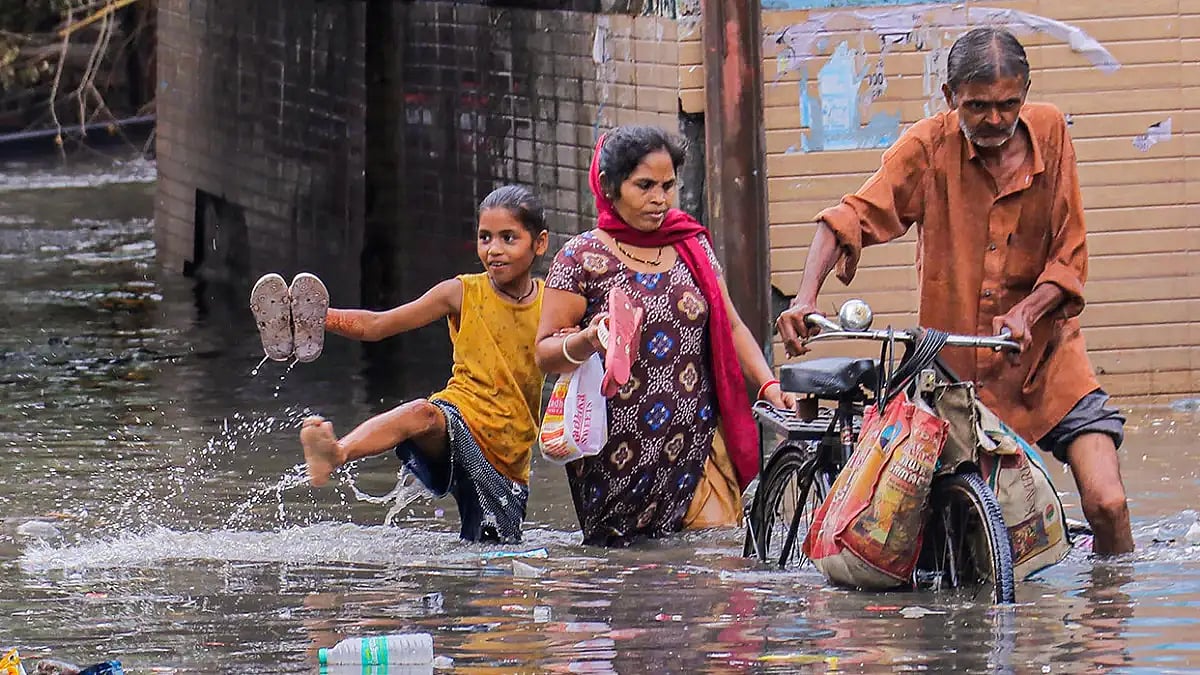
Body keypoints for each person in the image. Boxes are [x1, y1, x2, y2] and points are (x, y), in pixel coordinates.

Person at [775, 27, 1133, 554]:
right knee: (947, 537)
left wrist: (1029, 312)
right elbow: (847, 218)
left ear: (1026, 94)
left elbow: (1069, 255)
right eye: (978, 106)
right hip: (955, 376)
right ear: (950, 99)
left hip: (1045, 362)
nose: (995, 119)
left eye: (1009, 104)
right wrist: (804, 298)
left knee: (1107, 504)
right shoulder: (926, 147)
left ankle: (1111, 618)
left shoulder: (1052, 133)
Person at [536, 125, 793, 547]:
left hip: (697, 443)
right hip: (615, 455)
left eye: (668, 186)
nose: (660, 199)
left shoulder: (691, 245)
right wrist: (590, 340)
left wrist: (769, 384)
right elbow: (545, 353)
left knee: (715, 565)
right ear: (609, 186)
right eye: (645, 186)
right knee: (627, 579)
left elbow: (731, 325)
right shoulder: (580, 258)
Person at [250, 185, 549, 543]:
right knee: (422, 414)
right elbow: (379, 325)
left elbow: (574, 356)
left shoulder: (552, 302)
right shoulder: (461, 292)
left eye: (508, 238)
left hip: (507, 459)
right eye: (485, 238)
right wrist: (315, 318)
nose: (494, 249)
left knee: (494, 558)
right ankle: (336, 453)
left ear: (540, 243)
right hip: (460, 419)